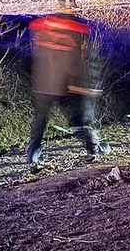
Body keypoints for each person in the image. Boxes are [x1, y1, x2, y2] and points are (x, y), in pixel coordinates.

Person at [26, 10, 111, 164]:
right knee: (77, 120)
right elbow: (81, 61)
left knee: (41, 119)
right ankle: (93, 148)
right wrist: (87, 85)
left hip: (44, 84)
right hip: (69, 85)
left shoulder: (41, 28)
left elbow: (37, 57)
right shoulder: (76, 29)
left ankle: (33, 152)